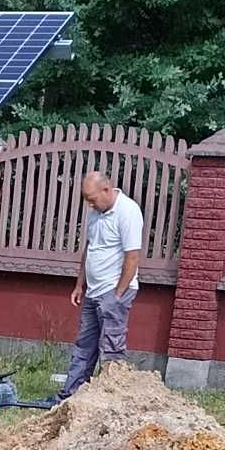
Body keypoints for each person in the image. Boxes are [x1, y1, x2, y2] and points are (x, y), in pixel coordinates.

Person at [60, 170, 144, 398]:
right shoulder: (96, 213)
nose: (89, 204)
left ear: (106, 190)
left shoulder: (128, 212)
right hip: (93, 292)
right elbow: (90, 250)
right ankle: (71, 397)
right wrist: (80, 285)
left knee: (111, 349)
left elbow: (133, 256)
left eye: (92, 198)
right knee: (84, 346)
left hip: (114, 292)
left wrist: (117, 294)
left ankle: (108, 401)